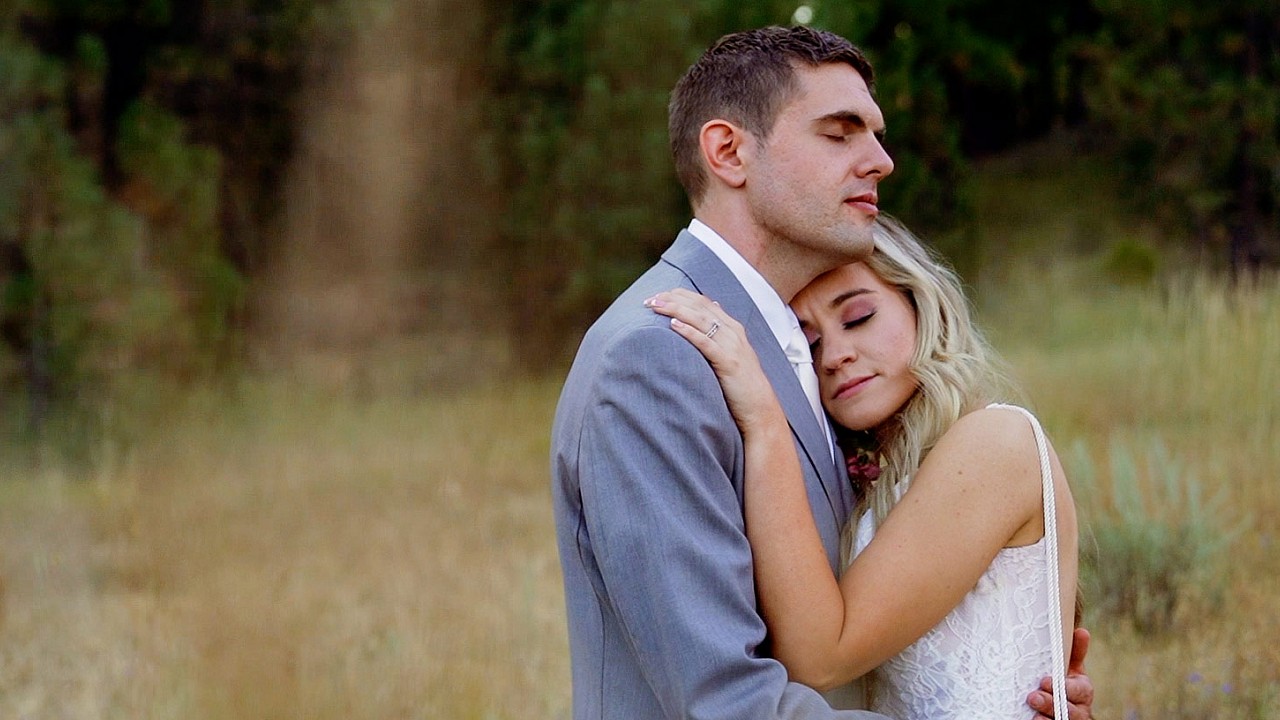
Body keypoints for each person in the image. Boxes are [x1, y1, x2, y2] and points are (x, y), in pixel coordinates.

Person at [550, 25, 1093, 719]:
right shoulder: (657, 358)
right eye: (840, 133)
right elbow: (721, 702)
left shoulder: (800, 367)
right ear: (728, 152)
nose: (881, 161)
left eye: (875, 133)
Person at [645, 214, 1079, 718]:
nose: (835, 356)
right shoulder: (878, 479)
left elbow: (821, 657)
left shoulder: (995, 442)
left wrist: (765, 420)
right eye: (809, 346)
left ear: (920, 303)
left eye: (857, 318)